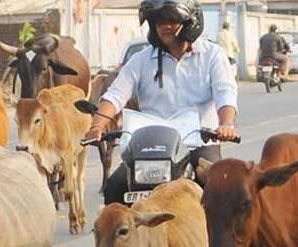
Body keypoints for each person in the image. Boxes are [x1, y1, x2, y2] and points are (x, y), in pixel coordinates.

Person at [87, 0, 239, 205]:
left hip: (199, 143)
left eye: (172, 20)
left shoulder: (212, 55)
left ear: (190, 22)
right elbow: (115, 95)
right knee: (114, 188)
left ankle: (215, 238)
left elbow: (225, 93)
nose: (165, 26)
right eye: (159, 21)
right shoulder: (141, 60)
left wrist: (226, 124)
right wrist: (97, 126)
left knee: (220, 191)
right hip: (150, 145)